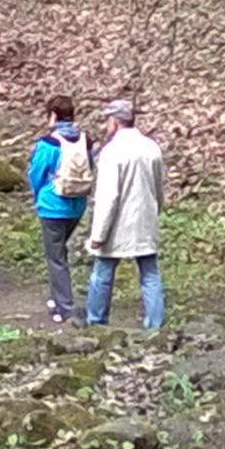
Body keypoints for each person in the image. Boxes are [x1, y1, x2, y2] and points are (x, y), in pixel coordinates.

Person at [85, 98, 165, 330]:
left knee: (102, 272)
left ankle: (96, 321)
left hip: (117, 224)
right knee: (149, 274)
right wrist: (155, 211)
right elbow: (159, 188)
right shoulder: (151, 147)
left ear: (114, 122)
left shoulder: (112, 152)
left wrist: (98, 234)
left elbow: (108, 197)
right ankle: (155, 325)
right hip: (145, 220)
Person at [28, 95, 93, 326]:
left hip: (52, 207)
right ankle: (57, 298)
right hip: (77, 205)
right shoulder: (85, 140)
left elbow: (36, 174)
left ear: (53, 115)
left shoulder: (48, 144)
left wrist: (38, 196)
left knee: (55, 258)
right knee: (59, 252)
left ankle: (65, 308)